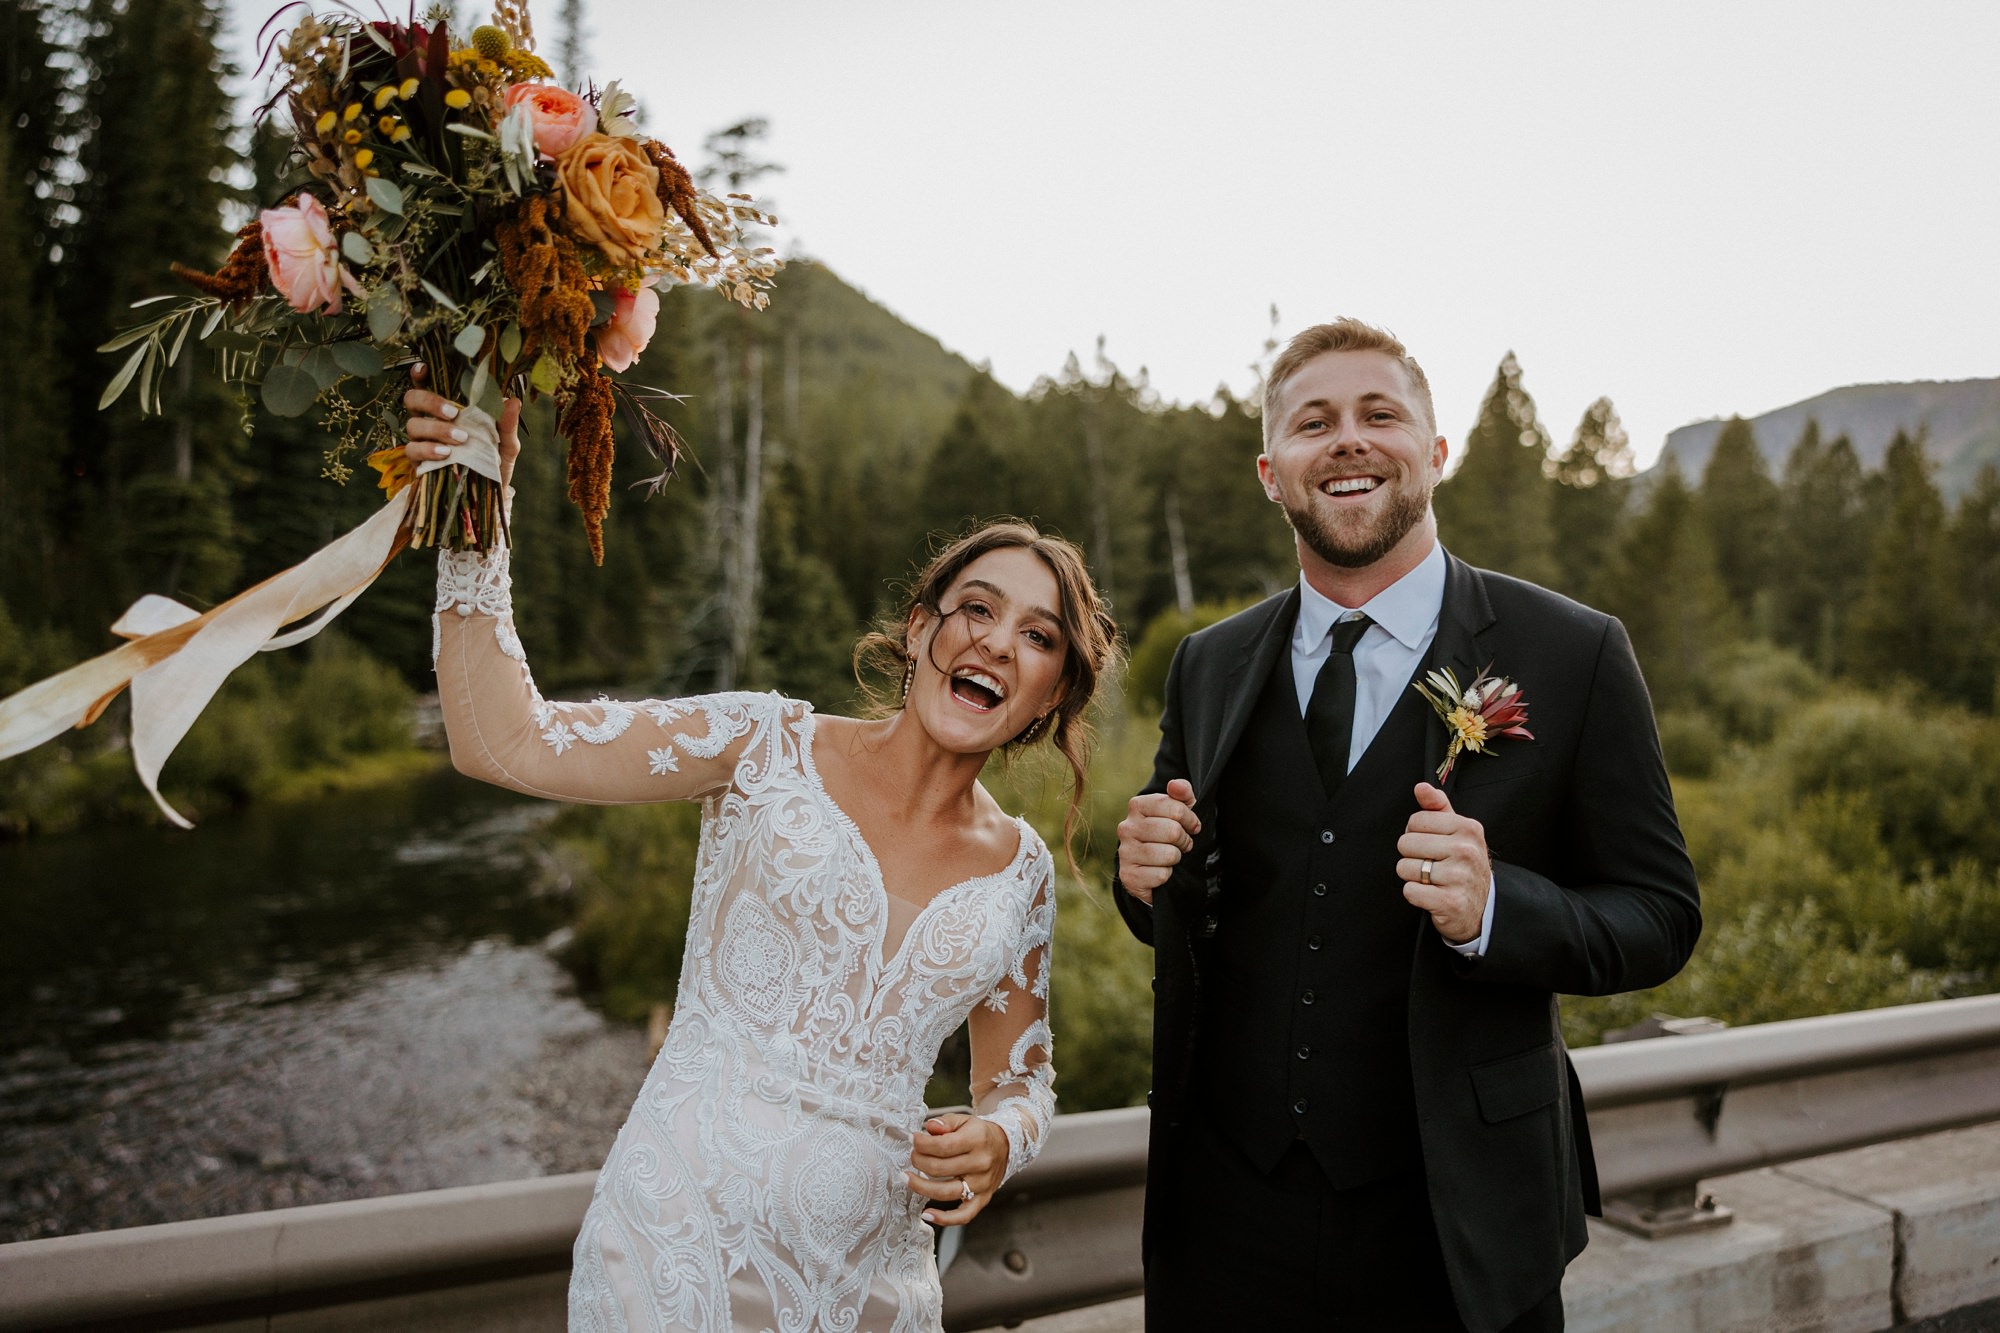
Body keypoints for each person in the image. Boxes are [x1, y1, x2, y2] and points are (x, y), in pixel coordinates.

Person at [402, 377, 1118, 1332]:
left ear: (1048, 697)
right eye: (975, 608)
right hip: (671, 1257)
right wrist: (476, 502)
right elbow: (501, 740)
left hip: (873, 1292)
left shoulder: (1021, 873)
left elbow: (1022, 1080)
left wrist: (1000, 1134)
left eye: (1038, 637)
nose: (996, 641)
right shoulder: (759, 747)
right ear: (919, 631)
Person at [1113, 319, 1701, 1333]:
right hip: (1223, 1225)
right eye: (1312, 422)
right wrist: (1144, 883)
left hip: (1457, 1226)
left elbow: (1658, 916)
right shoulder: (1207, 663)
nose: (1346, 440)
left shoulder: (1573, 652)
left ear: (1434, 452)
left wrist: (1491, 911)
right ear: (1270, 470)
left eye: (1377, 414)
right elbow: (1200, 915)